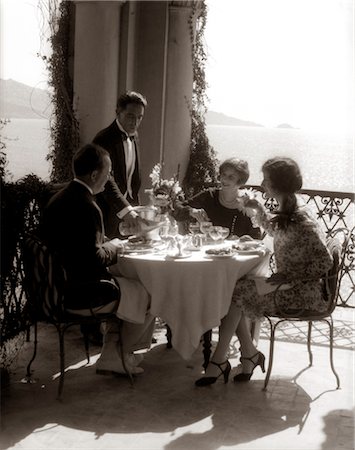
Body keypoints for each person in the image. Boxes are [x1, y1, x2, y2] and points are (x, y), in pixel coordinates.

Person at [195, 157, 333, 386]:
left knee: (236, 293)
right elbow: (276, 229)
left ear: (277, 185)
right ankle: (247, 355)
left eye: (267, 180)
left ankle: (221, 360)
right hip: (290, 285)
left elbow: (325, 261)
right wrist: (257, 208)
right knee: (237, 290)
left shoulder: (300, 219)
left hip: (302, 293)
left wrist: (290, 276)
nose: (263, 184)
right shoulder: (291, 209)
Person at [41, 143, 155, 376]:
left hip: (53, 288)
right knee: (149, 292)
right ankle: (121, 355)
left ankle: (111, 355)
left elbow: (77, 248)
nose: (109, 177)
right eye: (108, 172)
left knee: (127, 284)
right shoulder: (88, 206)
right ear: (94, 175)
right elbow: (93, 259)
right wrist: (116, 245)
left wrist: (108, 243)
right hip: (78, 293)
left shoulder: (60, 197)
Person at [93, 91, 147, 238]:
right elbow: (105, 180)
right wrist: (126, 211)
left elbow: (133, 179)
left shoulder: (134, 136)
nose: (135, 122)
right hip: (109, 212)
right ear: (118, 112)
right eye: (130, 116)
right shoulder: (103, 139)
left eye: (139, 117)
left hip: (130, 211)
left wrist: (136, 209)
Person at [176, 157, 261, 239]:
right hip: (208, 250)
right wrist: (191, 211)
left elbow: (256, 236)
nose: (225, 179)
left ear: (240, 181)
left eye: (231, 177)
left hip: (236, 252)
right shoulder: (209, 196)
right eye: (223, 174)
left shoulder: (247, 204)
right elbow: (176, 209)